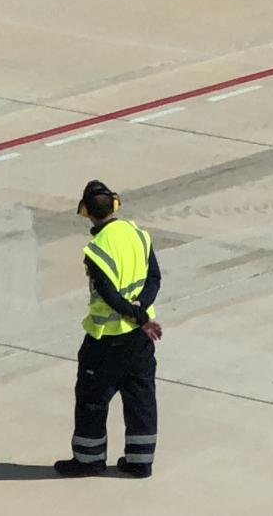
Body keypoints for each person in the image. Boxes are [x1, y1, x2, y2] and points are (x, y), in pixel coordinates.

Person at [56, 179, 163, 479]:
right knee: (141, 397)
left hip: (106, 342)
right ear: (116, 205)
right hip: (140, 341)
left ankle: (89, 459)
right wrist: (143, 312)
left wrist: (136, 316)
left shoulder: (97, 250)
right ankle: (140, 461)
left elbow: (109, 296)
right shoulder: (139, 234)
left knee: (91, 399)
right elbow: (154, 278)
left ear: (86, 212)